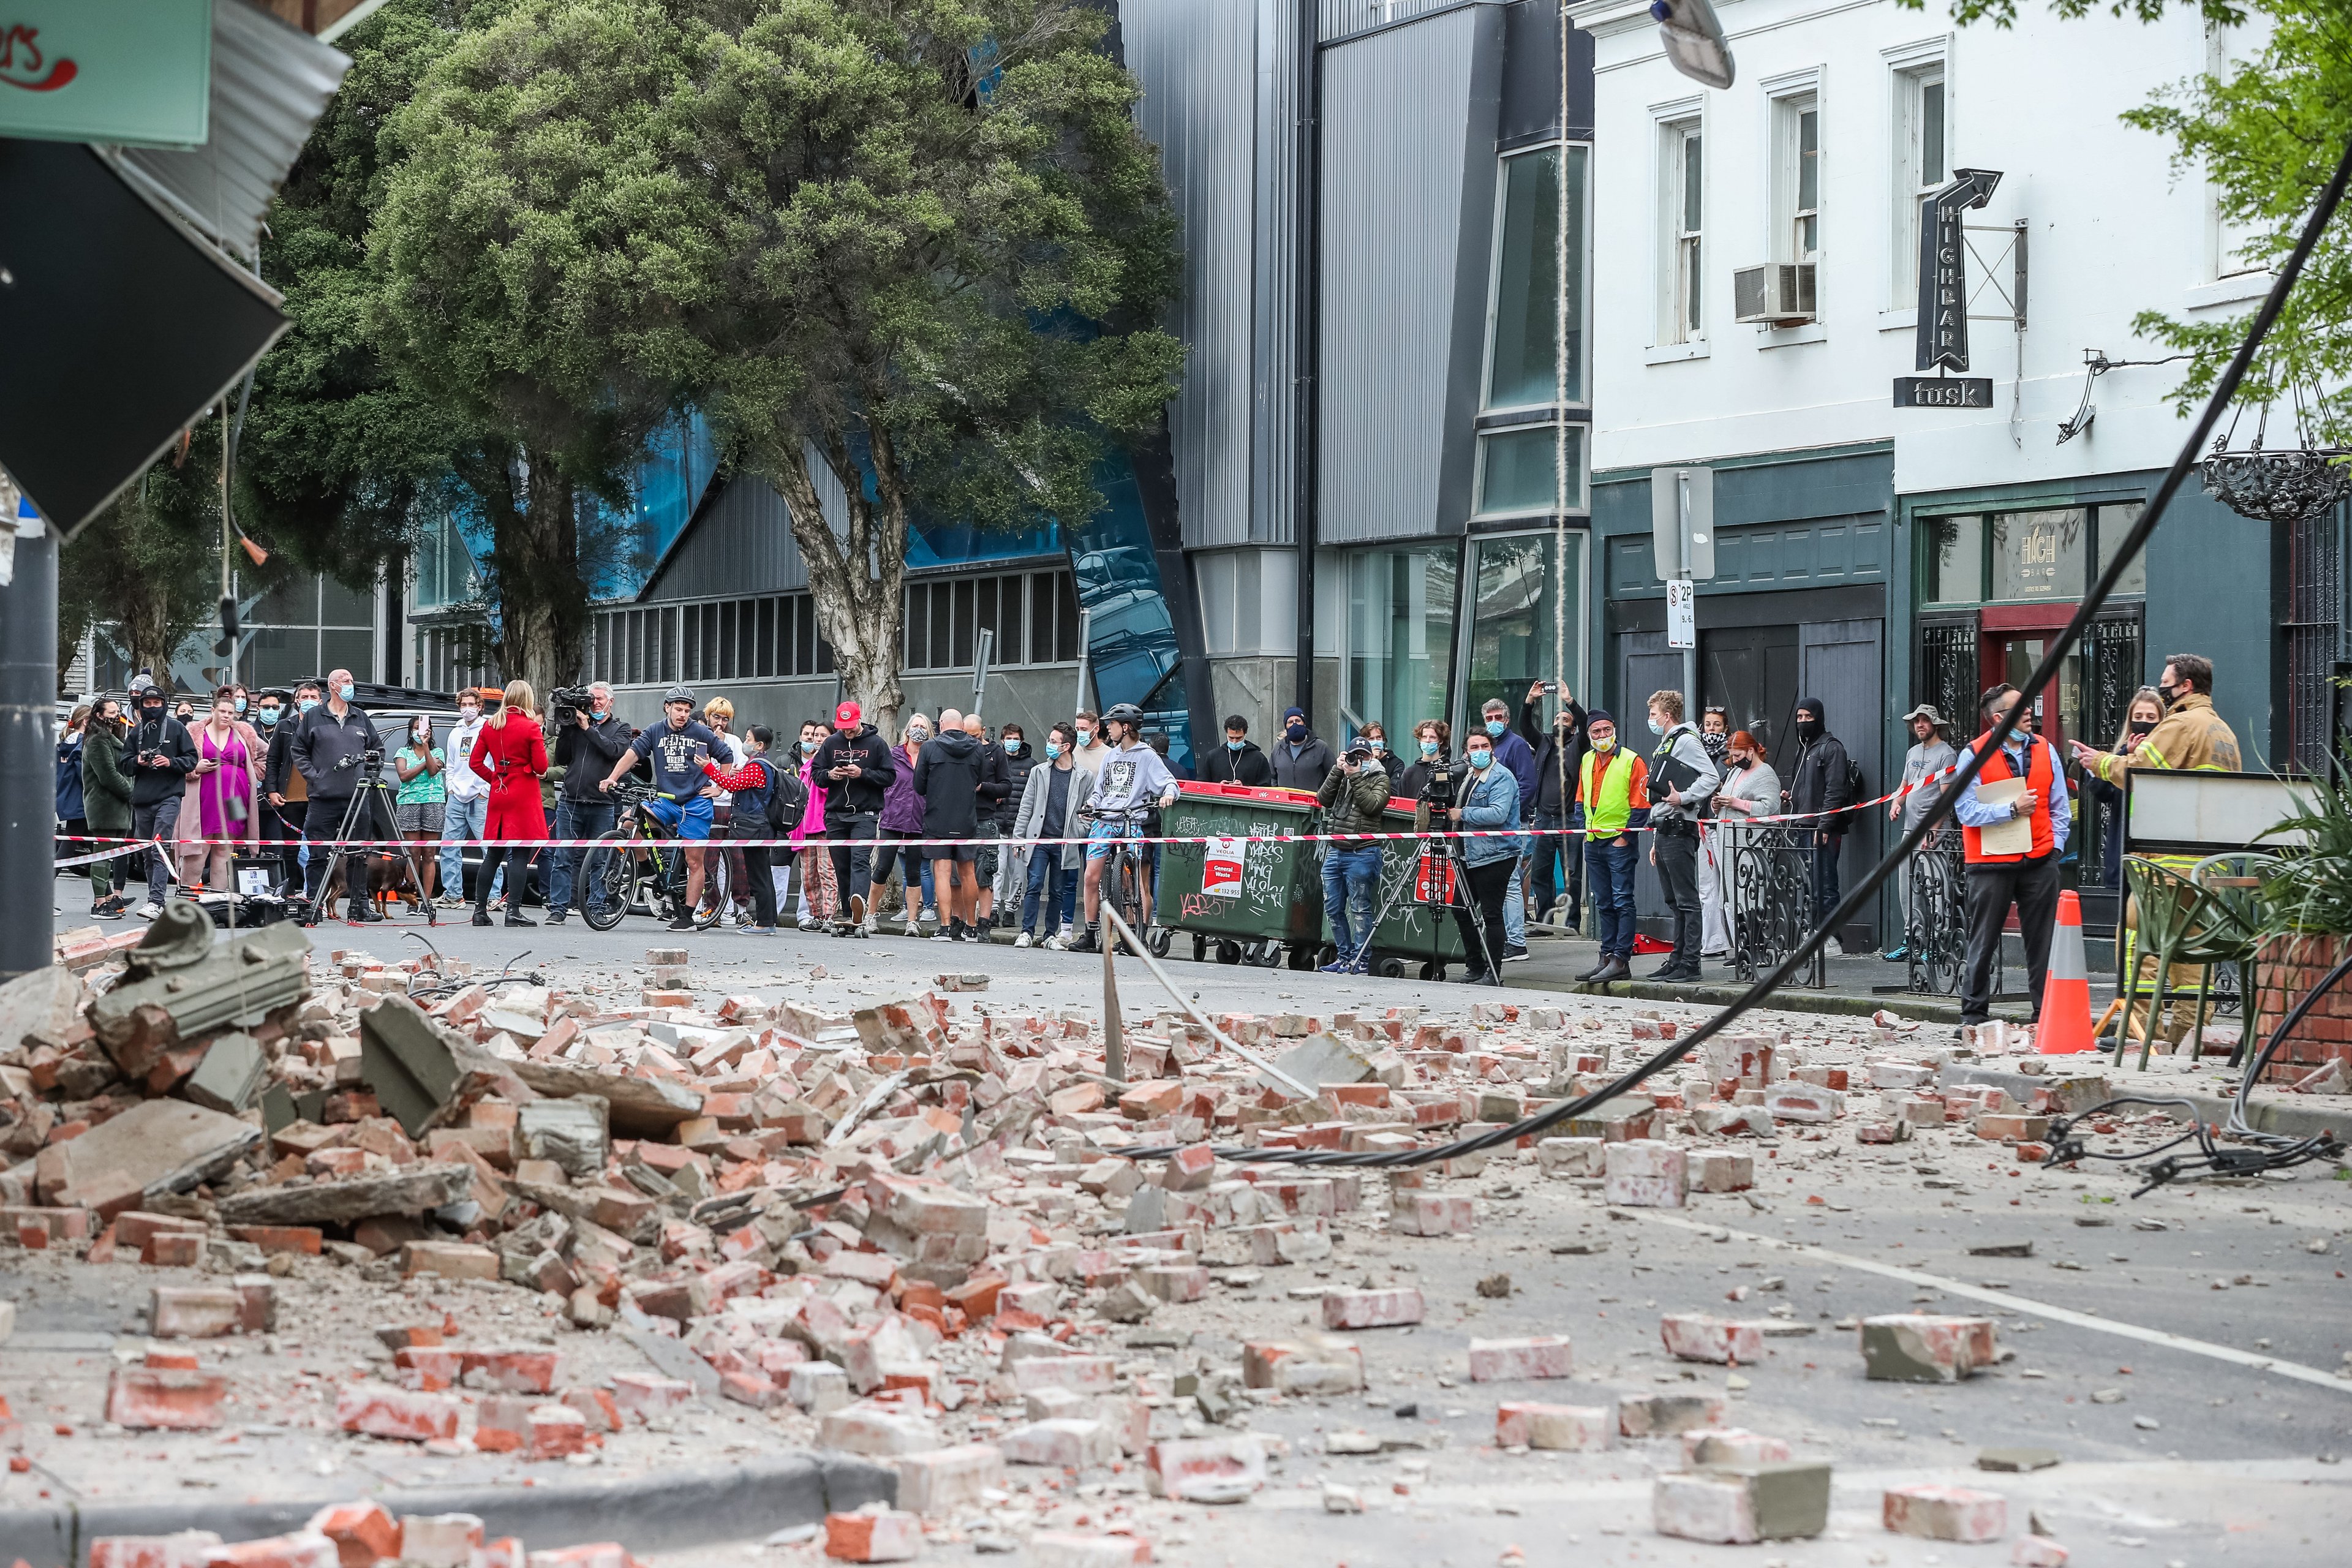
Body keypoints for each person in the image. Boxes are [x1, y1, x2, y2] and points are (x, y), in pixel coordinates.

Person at [2071, 654, 2240, 1043]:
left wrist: (2099, 761)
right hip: (2209, 865)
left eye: (2167, 683)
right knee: (2196, 952)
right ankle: (2190, 1035)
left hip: (2167, 862)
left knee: (2137, 938)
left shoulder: (2181, 724)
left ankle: (2140, 1032)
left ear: (2186, 686)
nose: (2162, 688)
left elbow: (2139, 772)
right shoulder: (2223, 732)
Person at [1953, 683, 2072, 1031]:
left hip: (2040, 860)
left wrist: (2056, 849)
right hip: (1990, 864)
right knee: (1983, 940)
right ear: (1999, 719)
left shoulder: (2046, 749)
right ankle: (1973, 1018)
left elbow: (2059, 806)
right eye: (2021, 710)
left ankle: (2045, 1017)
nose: (2030, 714)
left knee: (2043, 943)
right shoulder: (1972, 754)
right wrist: (2010, 809)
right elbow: (1965, 811)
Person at [601, 684, 722, 931]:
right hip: (667, 799)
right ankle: (646, 868)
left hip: (696, 804)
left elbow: (727, 755)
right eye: (679, 709)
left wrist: (720, 787)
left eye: (687, 711)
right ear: (667, 708)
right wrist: (612, 777)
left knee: (694, 861)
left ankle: (687, 916)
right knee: (629, 823)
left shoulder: (700, 732)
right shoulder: (655, 731)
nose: (683, 715)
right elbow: (633, 754)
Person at [1068, 703, 1180, 953]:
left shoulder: (1147, 755)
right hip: (1105, 821)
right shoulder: (1110, 755)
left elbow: (1168, 783)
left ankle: (1133, 936)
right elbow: (1099, 791)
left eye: (1113, 724)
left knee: (1134, 882)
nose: (1108, 728)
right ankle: (1090, 932)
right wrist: (1091, 804)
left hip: (1131, 821)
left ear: (1126, 727)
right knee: (1090, 876)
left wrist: (1168, 796)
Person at [1640, 690, 1721, 982]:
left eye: (1653, 714)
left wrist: (1684, 797)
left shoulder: (1685, 740)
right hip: (1665, 828)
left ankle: (1691, 963)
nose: (1651, 719)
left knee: (1687, 900)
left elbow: (1711, 776)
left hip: (1679, 828)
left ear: (1667, 715)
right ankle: (1677, 960)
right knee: (1674, 901)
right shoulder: (1668, 743)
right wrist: (1654, 838)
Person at [290, 668, 381, 925]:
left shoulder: (361, 717)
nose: (351, 684)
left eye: (352, 680)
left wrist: (370, 772)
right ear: (332, 686)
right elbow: (298, 750)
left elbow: (377, 748)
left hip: (358, 796)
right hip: (323, 797)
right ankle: (314, 903)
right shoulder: (313, 717)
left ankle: (359, 906)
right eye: (346, 681)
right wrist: (314, 776)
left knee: (360, 853)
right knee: (318, 853)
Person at [545, 682, 631, 925]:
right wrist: (568, 728)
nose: (595, 702)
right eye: (592, 698)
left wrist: (588, 729)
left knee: (600, 859)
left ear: (610, 702)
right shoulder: (577, 723)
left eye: (600, 699)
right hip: (571, 801)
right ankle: (558, 909)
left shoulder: (620, 728)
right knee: (563, 856)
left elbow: (614, 751)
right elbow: (562, 758)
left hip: (602, 803)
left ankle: (597, 908)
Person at [1572, 710, 1648, 984]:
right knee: (1603, 903)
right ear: (1589, 735)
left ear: (1614, 730)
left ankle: (1620, 959)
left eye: (1606, 730)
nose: (1602, 736)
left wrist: (1624, 837)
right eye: (1596, 732)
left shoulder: (1632, 760)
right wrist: (1584, 828)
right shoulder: (1587, 759)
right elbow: (1581, 798)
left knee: (1622, 900)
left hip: (1618, 842)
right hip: (1593, 841)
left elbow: (1641, 805)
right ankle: (1606, 956)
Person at [467, 679, 549, 927]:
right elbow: (542, 767)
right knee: (520, 854)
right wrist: (525, 768)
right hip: (523, 791)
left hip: (499, 792)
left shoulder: (491, 725)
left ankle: (479, 911)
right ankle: (513, 910)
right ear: (527, 700)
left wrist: (494, 778)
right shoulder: (530, 727)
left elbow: (475, 762)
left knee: (493, 854)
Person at [811, 699, 897, 933]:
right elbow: (816, 775)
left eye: (850, 727)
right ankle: (849, 915)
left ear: (859, 720)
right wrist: (831, 775)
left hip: (865, 814)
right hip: (836, 814)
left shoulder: (877, 744)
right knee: (841, 866)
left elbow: (890, 777)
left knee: (859, 859)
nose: (846, 732)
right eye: (842, 727)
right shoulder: (831, 743)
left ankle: (859, 903)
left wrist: (862, 774)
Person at [1883, 704, 1961, 961]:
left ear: (1935, 724)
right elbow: (1906, 785)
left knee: (1936, 889)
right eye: (1916, 721)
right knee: (1908, 888)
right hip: (1910, 830)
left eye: (1925, 721)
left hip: (1934, 835)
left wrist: (1934, 830)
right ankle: (1913, 941)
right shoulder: (1913, 752)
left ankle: (1940, 944)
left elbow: (1946, 798)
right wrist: (1897, 802)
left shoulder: (1947, 755)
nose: (1920, 725)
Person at [1447, 727, 1521, 986]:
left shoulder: (1501, 777)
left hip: (1496, 854)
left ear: (1493, 749)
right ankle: (1475, 965)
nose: (1480, 752)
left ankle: (1493, 972)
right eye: (1474, 747)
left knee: (1491, 914)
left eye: (1484, 747)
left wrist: (1463, 814)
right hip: (1469, 854)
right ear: (1466, 752)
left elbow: (1498, 814)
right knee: (1460, 907)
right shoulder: (1470, 776)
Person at [1316, 739, 1393, 974]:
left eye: (1364, 756)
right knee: (1333, 907)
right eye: (1354, 756)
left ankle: (1361, 960)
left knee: (1360, 909)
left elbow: (1372, 806)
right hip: (1335, 850)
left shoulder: (1381, 778)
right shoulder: (1343, 775)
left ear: (1372, 758)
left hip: (1362, 853)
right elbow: (1323, 799)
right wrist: (1337, 771)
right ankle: (1344, 956)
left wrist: (1356, 776)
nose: (1357, 761)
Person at [1518, 681, 1589, 930]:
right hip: (1544, 819)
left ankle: (1571, 923)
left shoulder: (1579, 745)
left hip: (1570, 819)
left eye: (1566, 720)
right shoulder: (1544, 743)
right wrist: (1530, 701)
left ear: (1573, 727)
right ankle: (1544, 922)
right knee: (1540, 874)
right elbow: (1525, 727)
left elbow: (1586, 723)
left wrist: (1570, 701)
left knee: (1572, 875)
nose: (1561, 721)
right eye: (1558, 718)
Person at [699, 726, 783, 934]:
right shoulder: (758, 765)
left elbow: (731, 785)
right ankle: (769, 920)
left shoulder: (757, 767)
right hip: (760, 827)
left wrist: (710, 768)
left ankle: (764, 923)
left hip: (754, 828)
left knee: (757, 876)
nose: (744, 742)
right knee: (763, 874)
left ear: (759, 745)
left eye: (748, 739)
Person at [2076, 687, 2162, 891]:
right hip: (2122, 848)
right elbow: (2100, 791)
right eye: (2138, 716)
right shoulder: (2119, 757)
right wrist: (2125, 754)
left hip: (2155, 852)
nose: (2144, 722)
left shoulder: (2167, 755)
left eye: (2151, 717)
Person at [912, 706, 986, 941]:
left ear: (942, 725)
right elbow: (980, 780)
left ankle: (945, 927)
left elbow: (919, 785)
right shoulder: (976, 748)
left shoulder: (930, 748)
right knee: (968, 871)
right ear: (962, 726)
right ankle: (971, 927)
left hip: (938, 816)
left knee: (942, 871)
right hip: (966, 817)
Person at [1783, 696, 1855, 935]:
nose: (1803, 722)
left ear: (1819, 718)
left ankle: (1831, 938)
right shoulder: (1804, 749)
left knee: (1824, 883)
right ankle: (1816, 934)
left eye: (1808, 717)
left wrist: (1824, 825)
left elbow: (1835, 790)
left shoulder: (1832, 748)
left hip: (1820, 828)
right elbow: (1809, 787)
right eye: (1799, 717)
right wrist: (1792, 797)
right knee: (1810, 884)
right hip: (1803, 824)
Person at [1710, 731, 1781, 963]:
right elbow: (1727, 799)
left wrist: (1735, 803)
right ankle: (1744, 948)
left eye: (1738, 755)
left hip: (1751, 844)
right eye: (1732, 756)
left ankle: (1758, 948)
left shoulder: (1765, 774)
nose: (1735, 759)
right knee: (1735, 897)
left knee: (1752, 895)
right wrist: (1717, 804)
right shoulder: (1736, 772)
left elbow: (1770, 807)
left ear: (1751, 751)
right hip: (1730, 843)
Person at [1477, 697, 1539, 962]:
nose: (1493, 723)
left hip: (1513, 825)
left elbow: (1527, 785)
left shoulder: (1516, 746)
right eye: (1488, 719)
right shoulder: (1489, 748)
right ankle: (1503, 939)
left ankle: (1516, 942)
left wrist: (1508, 815)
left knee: (1512, 883)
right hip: (1491, 827)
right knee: (1499, 885)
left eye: (1497, 718)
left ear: (1507, 719)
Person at [1015, 722, 1082, 948]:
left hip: (1064, 842)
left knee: (1057, 890)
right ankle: (1026, 931)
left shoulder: (1082, 776)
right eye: (1049, 741)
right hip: (1039, 839)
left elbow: (1088, 813)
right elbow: (1026, 806)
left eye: (1053, 742)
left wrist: (1077, 832)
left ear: (1066, 747)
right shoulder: (1039, 772)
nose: (1049, 745)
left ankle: (1050, 935)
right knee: (1034, 884)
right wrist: (1020, 838)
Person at [870, 714, 932, 935]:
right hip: (893, 818)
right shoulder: (894, 755)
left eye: (923, 727)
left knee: (914, 872)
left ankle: (912, 921)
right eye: (915, 726)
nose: (918, 730)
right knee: (882, 868)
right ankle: (870, 915)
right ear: (907, 731)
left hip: (919, 821)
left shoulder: (931, 756)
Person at [438, 689, 492, 909]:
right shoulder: (455, 732)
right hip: (456, 796)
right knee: (449, 847)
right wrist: (450, 787)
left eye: (472, 704)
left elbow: (494, 763)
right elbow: (451, 764)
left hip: (479, 796)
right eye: (463, 704)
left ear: (480, 706)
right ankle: (453, 894)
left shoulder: (487, 729)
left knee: (489, 848)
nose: (467, 709)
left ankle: (493, 895)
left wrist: (484, 790)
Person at [81, 699, 133, 916]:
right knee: (101, 857)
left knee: (109, 855)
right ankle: (99, 903)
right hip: (105, 806)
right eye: (112, 712)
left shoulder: (109, 738)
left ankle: (110, 897)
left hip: (117, 806)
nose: (117, 715)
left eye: (118, 711)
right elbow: (108, 776)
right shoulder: (97, 741)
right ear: (100, 715)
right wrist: (132, 793)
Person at [391, 716, 447, 908]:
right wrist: (424, 763)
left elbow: (433, 771)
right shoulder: (402, 752)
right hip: (409, 804)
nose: (420, 732)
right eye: (416, 728)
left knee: (429, 854)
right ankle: (412, 899)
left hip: (433, 803)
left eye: (423, 729)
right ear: (410, 730)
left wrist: (426, 748)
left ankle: (427, 900)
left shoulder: (437, 751)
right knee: (413, 853)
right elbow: (404, 776)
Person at [788, 719, 837, 929]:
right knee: (808, 876)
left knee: (827, 873)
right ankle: (816, 916)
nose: (817, 739)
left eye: (823, 736)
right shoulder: (806, 765)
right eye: (815, 735)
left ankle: (830, 916)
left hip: (824, 826)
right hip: (805, 827)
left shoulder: (833, 762)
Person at [967, 712, 1012, 928]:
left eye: (974, 737)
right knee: (959, 877)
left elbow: (1006, 787)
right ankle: (963, 921)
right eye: (966, 736)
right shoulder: (960, 751)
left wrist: (983, 787)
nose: (971, 741)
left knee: (985, 874)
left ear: (983, 732)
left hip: (985, 819)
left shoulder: (996, 753)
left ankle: (984, 922)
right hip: (961, 821)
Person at [990, 721, 1036, 926]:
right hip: (998, 825)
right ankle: (993, 909)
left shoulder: (1031, 766)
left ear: (1022, 741)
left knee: (1018, 873)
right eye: (1008, 739)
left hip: (1020, 829)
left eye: (1015, 739)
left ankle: (1010, 910)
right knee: (997, 870)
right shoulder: (994, 762)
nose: (1012, 743)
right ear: (1002, 741)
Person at [55, 703, 89, 872]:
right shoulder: (82, 744)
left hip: (67, 798)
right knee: (68, 847)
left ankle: (107, 896)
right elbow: (85, 774)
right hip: (81, 800)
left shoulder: (63, 744)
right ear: (85, 721)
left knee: (99, 848)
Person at [1270, 706, 1332, 791]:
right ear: (1286, 726)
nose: (1294, 724)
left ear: (1304, 723)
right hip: (1285, 803)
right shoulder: (1278, 748)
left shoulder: (1321, 747)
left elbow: (1332, 776)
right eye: (1290, 722)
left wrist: (1324, 796)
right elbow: (1272, 777)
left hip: (1313, 802)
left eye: (1298, 721)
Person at [1202, 714, 1273, 786]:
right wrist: (1218, 787)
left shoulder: (1259, 759)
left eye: (1239, 738)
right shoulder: (1212, 757)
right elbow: (1201, 785)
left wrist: (1244, 788)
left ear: (1245, 734)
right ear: (1226, 734)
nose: (1234, 742)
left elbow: (1265, 789)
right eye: (1231, 738)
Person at [1395, 720, 1452, 803]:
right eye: (1424, 737)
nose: (1428, 741)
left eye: (1432, 737)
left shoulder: (1449, 770)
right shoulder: (1409, 773)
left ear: (1441, 741)